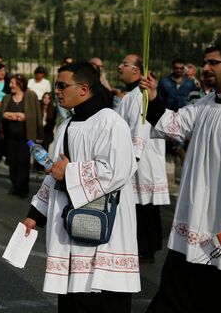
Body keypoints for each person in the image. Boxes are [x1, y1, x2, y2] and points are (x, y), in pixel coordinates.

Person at [22, 62, 140, 312]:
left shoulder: (110, 122)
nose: (57, 91)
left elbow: (117, 171)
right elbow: (55, 172)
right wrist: (35, 214)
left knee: (100, 299)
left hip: (104, 231)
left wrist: (71, 172)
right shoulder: (66, 125)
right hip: (70, 227)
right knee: (73, 300)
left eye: (62, 85)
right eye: (56, 85)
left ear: (84, 88)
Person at [142, 45, 221, 312]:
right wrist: (152, 97)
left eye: (213, 63)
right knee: (179, 279)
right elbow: (172, 124)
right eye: (204, 63)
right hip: (195, 209)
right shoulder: (204, 104)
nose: (206, 68)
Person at [116, 54, 169, 263]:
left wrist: (133, 158)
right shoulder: (129, 94)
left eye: (124, 64)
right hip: (134, 155)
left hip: (142, 159)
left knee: (145, 204)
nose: (120, 67)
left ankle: (147, 246)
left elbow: (142, 126)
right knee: (140, 205)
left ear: (137, 71)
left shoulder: (140, 95)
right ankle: (144, 243)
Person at [0, 74, 42, 197]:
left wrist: (39, 133)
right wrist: (17, 115)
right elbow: (3, 114)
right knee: (12, 162)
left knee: (23, 162)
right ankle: (15, 186)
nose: (10, 85)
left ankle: (23, 189)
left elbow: (37, 115)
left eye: (12, 83)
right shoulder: (7, 97)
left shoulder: (31, 96)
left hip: (26, 137)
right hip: (10, 137)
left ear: (20, 84)